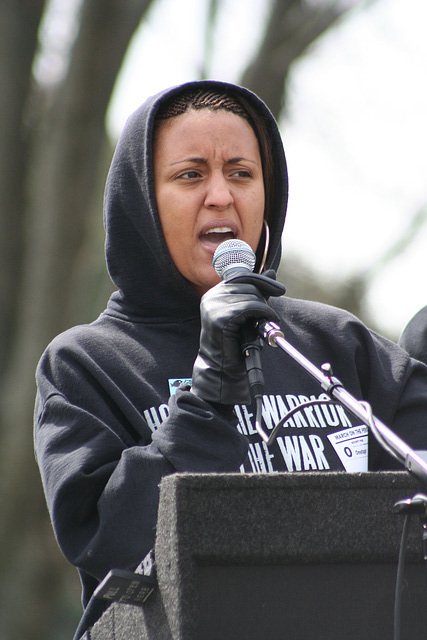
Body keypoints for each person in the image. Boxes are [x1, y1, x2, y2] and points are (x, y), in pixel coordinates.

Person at [34, 80, 427, 638]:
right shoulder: (86, 363)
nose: (221, 195)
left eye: (241, 173)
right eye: (191, 174)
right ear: (141, 202)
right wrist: (209, 394)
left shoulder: (336, 340)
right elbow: (107, 541)